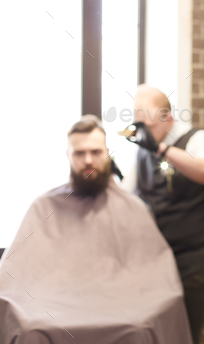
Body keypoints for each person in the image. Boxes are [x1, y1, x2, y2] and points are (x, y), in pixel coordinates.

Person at [0, 115, 192, 343]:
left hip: (123, 304)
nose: (88, 160)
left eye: (96, 152)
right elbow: (13, 276)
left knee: (139, 329)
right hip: (53, 302)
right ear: (68, 156)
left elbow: (158, 279)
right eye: (79, 153)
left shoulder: (132, 207)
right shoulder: (44, 206)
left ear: (107, 153)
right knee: (33, 329)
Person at [120, 84, 204, 344]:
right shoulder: (143, 149)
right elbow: (126, 195)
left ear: (168, 118)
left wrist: (162, 150)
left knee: (185, 335)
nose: (145, 133)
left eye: (150, 126)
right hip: (158, 261)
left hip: (195, 261)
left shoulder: (199, 139)